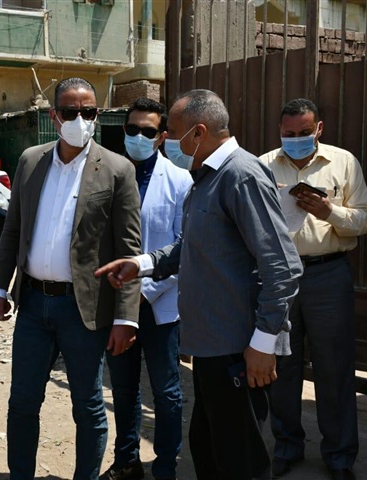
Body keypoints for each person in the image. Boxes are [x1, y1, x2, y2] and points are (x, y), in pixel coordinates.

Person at [95, 89, 303, 480]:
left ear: (198, 132)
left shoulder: (241, 175)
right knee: (209, 452)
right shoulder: (207, 177)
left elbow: (282, 266)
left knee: (240, 462)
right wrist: (141, 263)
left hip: (238, 350)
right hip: (211, 347)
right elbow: (191, 245)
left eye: (172, 133)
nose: (167, 142)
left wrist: (264, 343)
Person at [0, 77, 142, 480]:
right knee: (23, 402)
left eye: (87, 111)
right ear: (54, 116)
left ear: (97, 114)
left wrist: (126, 318)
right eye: (70, 112)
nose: (79, 119)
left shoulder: (117, 169)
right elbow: (13, 229)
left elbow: (129, 251)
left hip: (84, 309)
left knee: (87, 405)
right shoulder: (30, 161)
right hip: (33, 304)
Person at [260, 99, 367, 480]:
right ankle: (287, 446)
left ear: (319, 129)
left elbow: (366, 218)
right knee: (281, 366)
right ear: (280, 131)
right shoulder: (263, 165)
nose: (296, 139)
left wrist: (329, 212)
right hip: (279, 278)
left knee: (334, 368)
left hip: (328, 274)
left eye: (304, 133)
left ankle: (339, 456)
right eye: (289, 134)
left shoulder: (343, 162)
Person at [100, 98, 192, 480]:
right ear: (124, 131)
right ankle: (127, 461)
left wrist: (145, 290)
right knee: (122, 388)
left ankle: (166, 466)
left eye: (148, 131)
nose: (139, 136)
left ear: (162, 136)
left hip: (160, 304)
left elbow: (185, 247)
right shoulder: (106, 174)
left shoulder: (180, 181)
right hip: (116, 303)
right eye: (133, 129)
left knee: (166, 392)